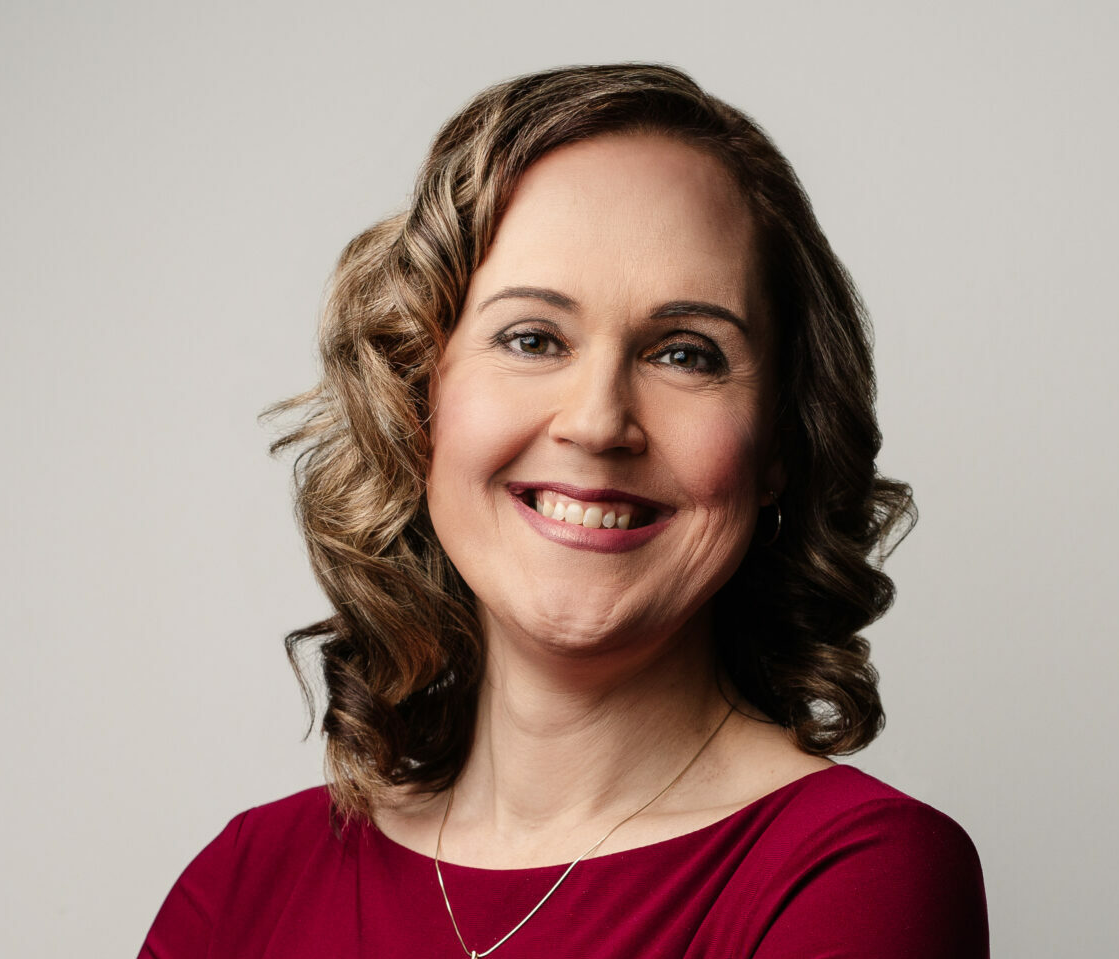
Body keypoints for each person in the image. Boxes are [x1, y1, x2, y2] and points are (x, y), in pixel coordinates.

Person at [142, 64, 985, 958]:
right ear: (420, 396)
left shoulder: (856, 873)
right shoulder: (244, 883)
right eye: (533, 338)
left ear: (777, 442)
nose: (596, 422)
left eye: (687, 354)